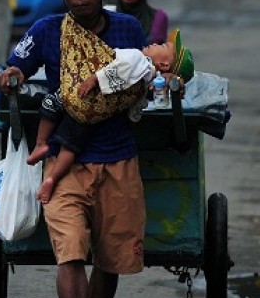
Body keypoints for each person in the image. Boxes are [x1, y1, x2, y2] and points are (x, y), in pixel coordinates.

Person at [0, 0, 146, 298]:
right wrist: (11, 75)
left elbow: (140, 79)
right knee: (71, 253)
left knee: (111, 258)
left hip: (119, 156)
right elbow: (16, 67)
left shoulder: (128, 31)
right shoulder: (45, 30)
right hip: (66, 161)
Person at [28, 31, 195, 204]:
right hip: (92, 114)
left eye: (162, 46)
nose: (155, 43)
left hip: (80, 94)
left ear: (164, 64)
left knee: (50, 104)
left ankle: (40, 144)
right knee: (70, 147)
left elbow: (115, 67)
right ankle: (53, 178)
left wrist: (93, 79)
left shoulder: (137, 57)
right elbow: (136, 109)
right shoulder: (145, 82)